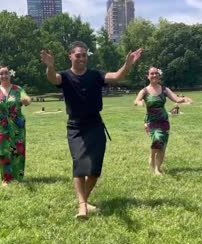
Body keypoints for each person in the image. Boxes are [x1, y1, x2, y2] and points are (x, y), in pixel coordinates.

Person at [41, 41, 143, 219]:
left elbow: (117, 76)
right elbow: (52, 78)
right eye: (78, 55)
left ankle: (85, 200)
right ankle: (82, 206)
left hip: (95, 125)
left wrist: (127, 65)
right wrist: (50, 66)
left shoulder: (95, 75)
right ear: (70, 56)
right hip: (76, 127)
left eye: (84, 55)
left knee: (94, 169)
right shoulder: (65, 76)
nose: (81, 58)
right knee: (80, 163)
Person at [134, 67, 191, 176]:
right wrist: (139, 102)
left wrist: (184, 99)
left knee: (162, 146)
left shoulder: (165, 89)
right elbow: (137, 100)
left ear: (159, 76)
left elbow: (176, 99)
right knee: (157, 139)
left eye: (156, 73)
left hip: (164, 122)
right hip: (151, 122)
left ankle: (158, 168)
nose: (154, 75)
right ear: (148, 76)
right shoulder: (144, 91)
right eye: (152, 73)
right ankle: (152, 158)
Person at [0, 66, 32, 187]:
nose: (4, 76)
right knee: (3, 151)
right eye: (1, 74)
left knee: (18, 151)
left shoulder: (18, 89)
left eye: (6, 73)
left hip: (17, 124)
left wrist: (26, 100)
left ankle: (18, 177)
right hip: (1, 124)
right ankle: (6, 179)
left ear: (10, 75)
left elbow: (27, 99)